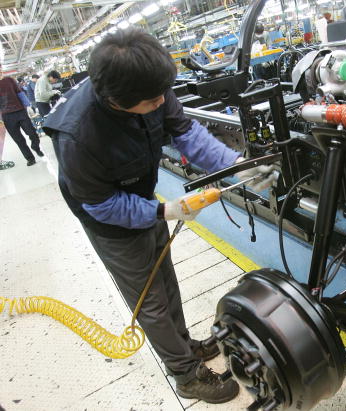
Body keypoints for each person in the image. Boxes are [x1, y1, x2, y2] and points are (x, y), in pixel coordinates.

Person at [44, 28, 273, 403]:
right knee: (150, 299)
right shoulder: (77, 136)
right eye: (153, 101)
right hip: (107, 218)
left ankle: (183, 344)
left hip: (139, 192)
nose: (162, 102)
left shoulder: (149, 85)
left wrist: (235, 165)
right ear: (117, 101)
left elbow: (186, 134)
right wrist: (162, 210)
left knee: (165, 278)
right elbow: (102, 205)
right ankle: (186, 376)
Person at [0, 65, 44, 166]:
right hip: (7, 116)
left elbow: (19, 93)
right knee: (18, 139)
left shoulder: (9, 80)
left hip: (20, 111)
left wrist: (28, 105)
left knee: (32, 133)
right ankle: (30, 158)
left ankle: (36, 147)